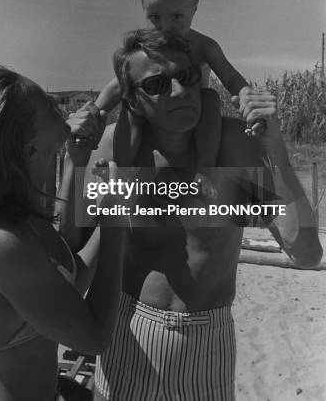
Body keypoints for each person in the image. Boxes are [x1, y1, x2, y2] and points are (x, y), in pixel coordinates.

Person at [66, 29, 322, 401]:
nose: (179, 92)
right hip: (130, 329)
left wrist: (275, 147)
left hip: (207, 339)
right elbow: (71, 252)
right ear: (134, 101)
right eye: (156, 84)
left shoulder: (235, 147)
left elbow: (306, 252)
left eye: (187, 77)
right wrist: (75, 164)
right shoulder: (117, 146)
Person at [0, 64, 126, 401]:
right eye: (51, 107)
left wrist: (79, 164)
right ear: (29, 148)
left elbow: (70, 281)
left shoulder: (22, 215)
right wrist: (114, 224)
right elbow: (94, 337)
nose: (67, 110)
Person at [92, 0, 260, 185]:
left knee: (210, 99)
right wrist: (94, 113)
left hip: (193, 112)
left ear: (194, 8)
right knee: (129, 109)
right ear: (143, 10)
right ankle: (121, 169)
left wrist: (246, 96)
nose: (165, 27)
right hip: (155, 110)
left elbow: (229, 75)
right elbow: (118, 85)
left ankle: (205, 170)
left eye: (176, 16)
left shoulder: (203, 45)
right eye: (155, 17)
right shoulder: (144, 51)